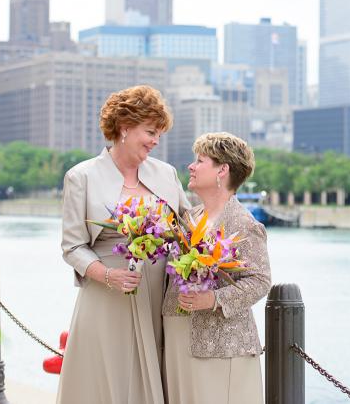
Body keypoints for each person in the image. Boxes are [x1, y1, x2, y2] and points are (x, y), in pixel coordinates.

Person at [57, 85, 190, 404]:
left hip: (158, 297)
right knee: (104, 382)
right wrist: (107, 275)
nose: (156, 140)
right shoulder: (81, 177)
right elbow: (72, 247)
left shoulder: (166, 174)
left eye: (159, 133)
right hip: (107, 296)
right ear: (124, 127)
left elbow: (188, 228)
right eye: (150, 131)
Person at [163, 132, 271, 404]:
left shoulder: (244, 224)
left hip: (221, 347)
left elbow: (260, 280)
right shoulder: (190, 218)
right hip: (178, 338)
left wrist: (213, 299)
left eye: (200, 160)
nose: (191, 166)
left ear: (222, 170)